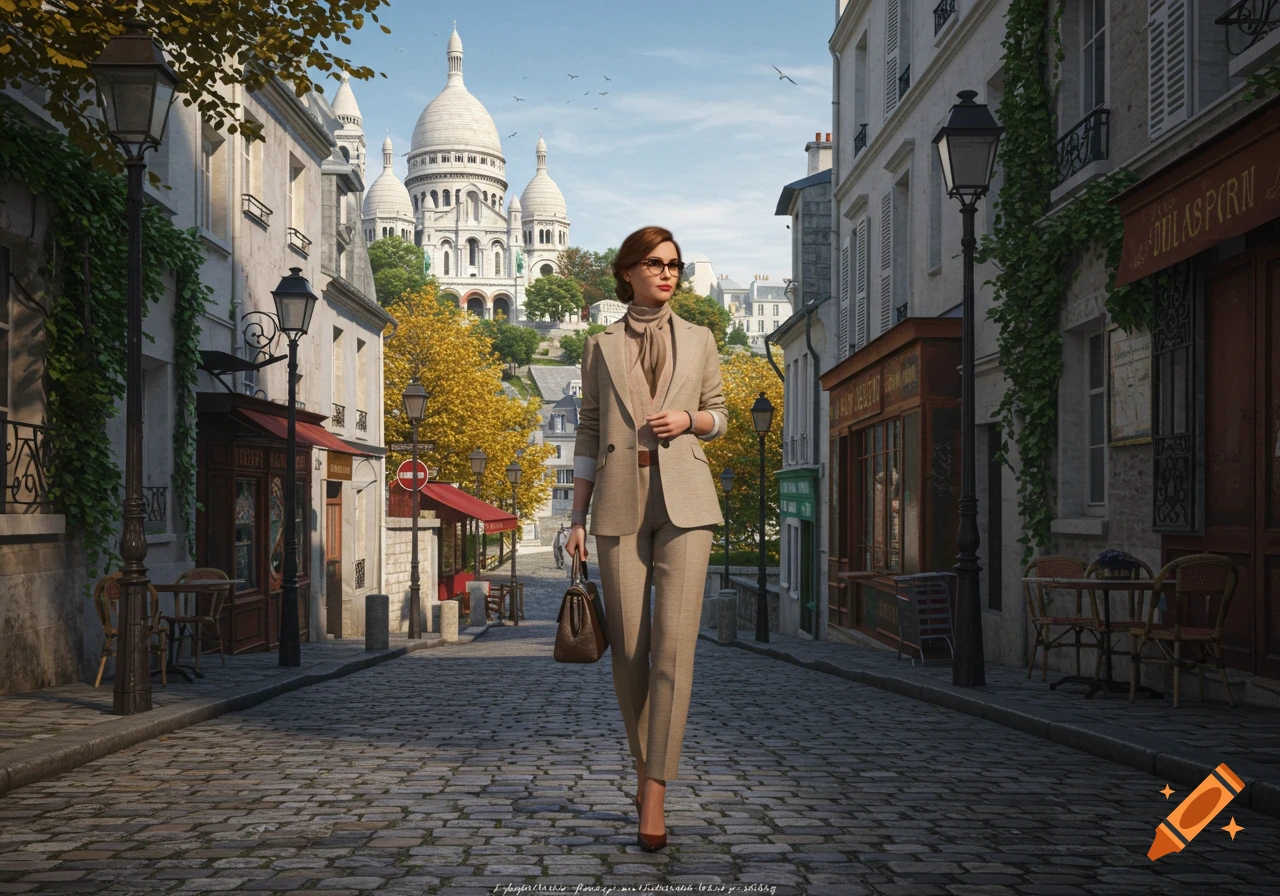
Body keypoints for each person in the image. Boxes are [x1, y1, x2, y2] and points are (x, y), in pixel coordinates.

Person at [563, 226, 727, 852]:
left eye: (675, 266)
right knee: (629, 650)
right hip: (616, 504)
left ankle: (655, 787)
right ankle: (642, 767)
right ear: (628, 271)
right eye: (655, 264)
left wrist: (688, 419)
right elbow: (586, 431)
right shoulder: (598, 346)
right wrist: (575, 520)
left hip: (686, 504)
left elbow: (720, 413)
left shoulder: (701, 339)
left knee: (673, 651)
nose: (668, 274)